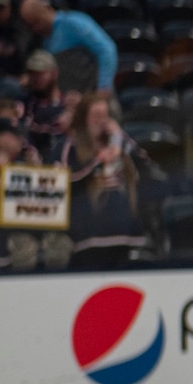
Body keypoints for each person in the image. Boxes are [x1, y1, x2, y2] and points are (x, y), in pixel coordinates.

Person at [64, 91, 149, 265]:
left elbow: (148, 168)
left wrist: (120, 143)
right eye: (96, 116)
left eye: (105, 116)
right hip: (89, 239)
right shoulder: (70, 146)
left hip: (126, 237)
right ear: (83, 119)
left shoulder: (120, 140)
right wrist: (97, 162)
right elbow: (65, 182)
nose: (101, 121)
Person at [17, 0, 118, 92]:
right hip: (70, 96)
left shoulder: (73, 23)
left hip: (93, 94)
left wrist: (104, 86)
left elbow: (106, 49)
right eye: (31, 26)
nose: (36, 28)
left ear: (48, 9)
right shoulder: (42, 41)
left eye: (37, 22)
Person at [16, 50, 71, 162]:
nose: (35, 79)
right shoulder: (24, 103)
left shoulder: (68, 104)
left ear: (54, 73)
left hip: (63, 163)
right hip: (31, 162)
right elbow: (20, 131)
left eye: (40, 73)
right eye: (31, 74)